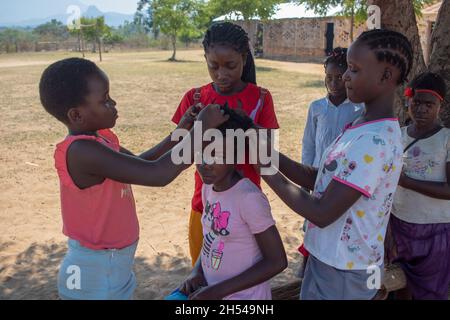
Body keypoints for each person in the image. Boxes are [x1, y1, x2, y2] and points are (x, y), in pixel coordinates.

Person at [39, 57, 228, 300]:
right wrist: (201, 130)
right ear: (76, 115)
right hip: (95, 273)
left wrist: (180, 133)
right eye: (105, 100)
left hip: (110, 266)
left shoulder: (102, 139)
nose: (113, 103)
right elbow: (157, 174)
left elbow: (144, 163)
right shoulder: (82, 151)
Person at [256, 29, 413, 299]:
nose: (344, 76)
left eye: (353, 69)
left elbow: (322, 212)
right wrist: (266, 153)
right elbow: (319, 178)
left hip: (344, 271)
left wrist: (263, 168)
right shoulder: (360, 126)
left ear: (386, 76)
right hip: (329, 258)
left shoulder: (375, 141)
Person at [172, 22, 279, 265]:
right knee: (205, 272)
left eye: (231, 66)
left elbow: (269, 155)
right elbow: (178, 154)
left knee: (243, 275)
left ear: (244, 58)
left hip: (246, 209)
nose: (221, 74)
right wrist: (194, 126)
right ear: (205, 59)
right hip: (204, 204)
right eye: (213, 66)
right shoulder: (195, 98)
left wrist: (245, 130)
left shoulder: (261, 98)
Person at [179, 107, 287, 300]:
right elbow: (211, 237)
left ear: (236, 156)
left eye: (217, 155)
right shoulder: (208, 187)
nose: (205, 163)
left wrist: (217, 291)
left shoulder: (248, 199)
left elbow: (277, 261)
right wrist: (198, 271)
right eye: (200, 153)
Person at [390, 71, 450, 300]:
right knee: (399, 286)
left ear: (439, 105)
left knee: (431, 292)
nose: (422, 109)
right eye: (416, 103)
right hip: (400, 227)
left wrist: (406, 181)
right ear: (408, 102)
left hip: (435, 232)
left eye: (429, 104)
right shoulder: (398, 135)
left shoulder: (446, 139)